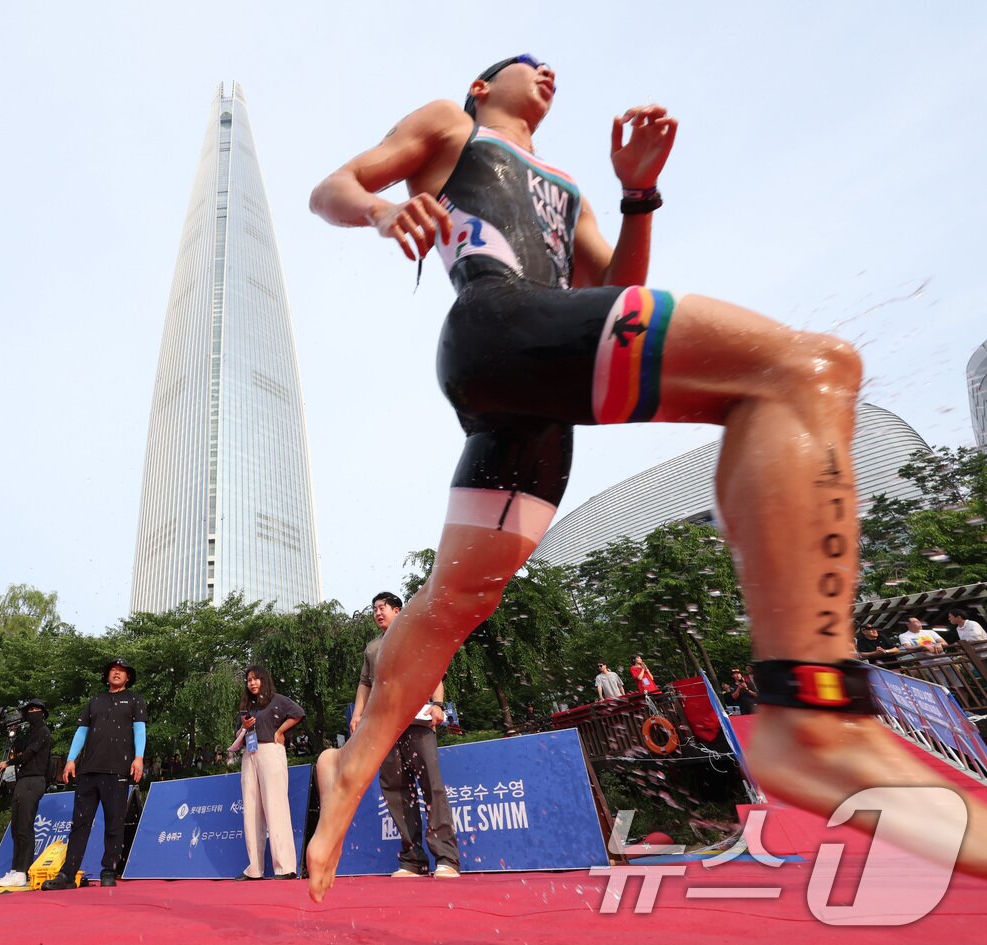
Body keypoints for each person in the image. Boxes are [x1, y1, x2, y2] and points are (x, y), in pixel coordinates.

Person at [302, 53, 987, 900]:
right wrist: (380, 210)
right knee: (807, 370)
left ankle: (352, 765)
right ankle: (812, 711)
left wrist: (638, 193)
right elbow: (332, 188)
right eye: (528, 64)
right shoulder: (453, 124)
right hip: (499, 325)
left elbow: (616, 290)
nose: (547, 72)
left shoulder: (571, 190)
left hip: (540, 390)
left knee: (456, 601)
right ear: (484, 86)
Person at [355, 593, 460, 879]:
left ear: (398, 611)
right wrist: (357, 714)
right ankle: (412, 860)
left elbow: (435, 671)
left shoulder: (417, 636)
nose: (377, 613)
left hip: (418, 721)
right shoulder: (372, 648)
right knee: (396, 790)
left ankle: (446, 858)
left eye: (383, 608)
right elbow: (365, 683)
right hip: (384, 727)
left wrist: (438, 705)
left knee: (431, 786)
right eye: (374, 609)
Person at [46, 658, 147, 890]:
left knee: (114, 823)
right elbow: (82, 731)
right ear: (107, 675)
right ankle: (68, 874)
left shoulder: (135, 700)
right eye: (113, 670)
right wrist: (71, 759)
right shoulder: (95, 701)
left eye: (121, 671)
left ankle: (108, 871)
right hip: (88, 770)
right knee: (80, 823)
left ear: (128, 677)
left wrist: (138, 757)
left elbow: (140, 730)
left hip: (118, 770)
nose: (116, 673)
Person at [232, 665, 305, 881]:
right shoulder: (247, 706)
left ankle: (285, 867)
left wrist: (280, 731)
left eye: (256, 679)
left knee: (275, 806)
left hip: (270, 752)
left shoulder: (277, 700)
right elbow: (237, 734)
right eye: (249, 680)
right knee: (251, 810)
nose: (252, 683)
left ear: (264, 680)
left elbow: (298, 713)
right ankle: (254, 868)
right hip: (249, 754)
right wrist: (244, 726)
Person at [0, 699, 51, 888]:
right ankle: (15, 869)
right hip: (23, 781)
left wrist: (9, 763)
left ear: (42, 713)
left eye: (36, 709)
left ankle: (22, 871)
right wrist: (13, 734)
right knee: (17, 827)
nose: (32, 712)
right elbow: (17, 748)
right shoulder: (28, 733)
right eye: (29, 710)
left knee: (25, 825)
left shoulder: (43, 732)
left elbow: (28, 754)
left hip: (34, 780)